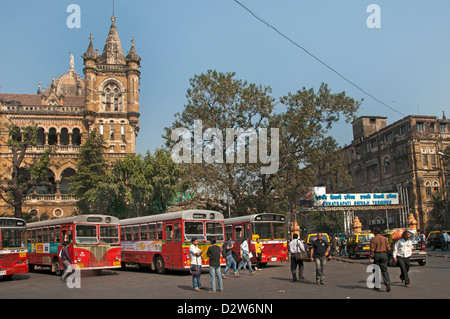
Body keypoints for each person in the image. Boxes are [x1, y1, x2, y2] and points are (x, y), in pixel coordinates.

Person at [369, 227, 391, 292]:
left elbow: (372, 249)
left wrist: (371, 257)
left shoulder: (373, 239)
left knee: (376, 270)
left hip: (377, 255)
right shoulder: (385, 239)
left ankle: (377, 284)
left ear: (375, 232)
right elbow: (388, 248)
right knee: (384, 270)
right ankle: (387, 282)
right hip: (384, 254)